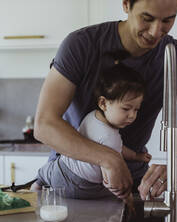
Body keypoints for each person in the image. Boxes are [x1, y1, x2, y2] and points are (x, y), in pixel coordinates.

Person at [31, 0, 177, 200]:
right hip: (73, 178)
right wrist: (109, 158)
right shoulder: (81, 45)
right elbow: (45, 125)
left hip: (132, 182)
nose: (156, 31)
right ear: (126, 4)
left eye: (167, 20)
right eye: (147, 18)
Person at [34, 63, 152, 199]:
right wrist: (125, 195)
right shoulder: (110, 138)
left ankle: (36, 187)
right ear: (103, 103)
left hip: (60, 173)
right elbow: (111, 179)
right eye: (126, 109)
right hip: (85, 188)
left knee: (44, 172)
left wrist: (136, 156)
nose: (132, 115)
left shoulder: (92, 116)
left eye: (136, 110)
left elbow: (117, 149)